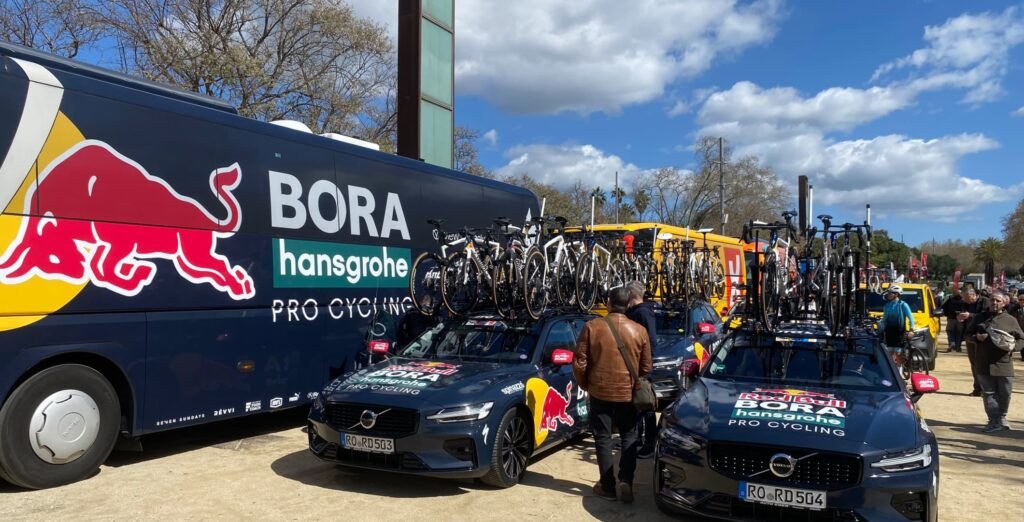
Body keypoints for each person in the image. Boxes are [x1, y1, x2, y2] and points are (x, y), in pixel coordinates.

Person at [573, 287, 652, 504]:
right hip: (628, 394)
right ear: (628, 305)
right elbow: (646, 367)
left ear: (608, 303)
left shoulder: (591, 327)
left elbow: (579, 362)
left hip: (600, 392)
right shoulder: (639, 330)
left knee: (603, 438)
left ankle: (607, 486)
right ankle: (626, 480)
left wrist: (586, 384)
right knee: (629, 436)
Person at [969, 291, 1024, 432]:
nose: (994, 303)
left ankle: (1002, 417)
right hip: (983, 362)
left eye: (998, 301)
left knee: (1005, 392)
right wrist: (976, 338)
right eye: (992, 300)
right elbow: (967, 334)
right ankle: (993, 421)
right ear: (988, 301)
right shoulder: (979, 318)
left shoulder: (1010, 320)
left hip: (1004, 363)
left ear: (1004, 303)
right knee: (989, 393)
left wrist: (1013, 348)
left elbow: (1021, 338)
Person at [624, 280, 657, 460]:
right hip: (632, 367)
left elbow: (651, 342)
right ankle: (635, 439)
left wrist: (644, 367)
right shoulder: (633, 312)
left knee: (646, 405)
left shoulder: (643, 313)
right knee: (635, 406)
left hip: (641, 369)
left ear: (631, 294)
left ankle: (649, 444)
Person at [961, 288, 993, 396]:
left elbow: (985, 317)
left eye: (967, 298)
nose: (965, 300)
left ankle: (986, 389)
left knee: (982, 363)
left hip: (982, 336)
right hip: (970, 335)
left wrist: (969, 315)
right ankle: (977, 389)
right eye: (964, 298)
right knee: (974, 363)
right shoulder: (965, 303)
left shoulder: (985, 302)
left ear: (973, 295)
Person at [879, 285, 915, 357]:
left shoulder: (903, 305)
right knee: (889, 355)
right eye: (888, 292)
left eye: (890, 293)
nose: (888, 294)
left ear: (896, 294)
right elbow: (884, 319)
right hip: (889, 333)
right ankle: (892, 368)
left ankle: (899, 368)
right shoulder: (886, 306)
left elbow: (911, 318)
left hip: (899, 333)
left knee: (898, 354)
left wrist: (911, 330)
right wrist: (880, 328)